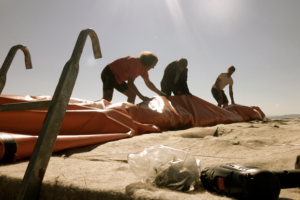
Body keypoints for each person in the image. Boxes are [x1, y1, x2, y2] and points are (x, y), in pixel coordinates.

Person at [101, 51, 167, 104]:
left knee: (132, 94)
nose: (153, 67)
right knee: (107, 98)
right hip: (109, 72)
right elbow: (130, 83)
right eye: (153, 65)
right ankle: (94, 113)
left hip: (119, 79)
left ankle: (128, 115)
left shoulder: (144, 70)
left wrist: (161, 93)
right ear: (148, 62)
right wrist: (141, 97)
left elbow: (148, 83)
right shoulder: (136, 63)